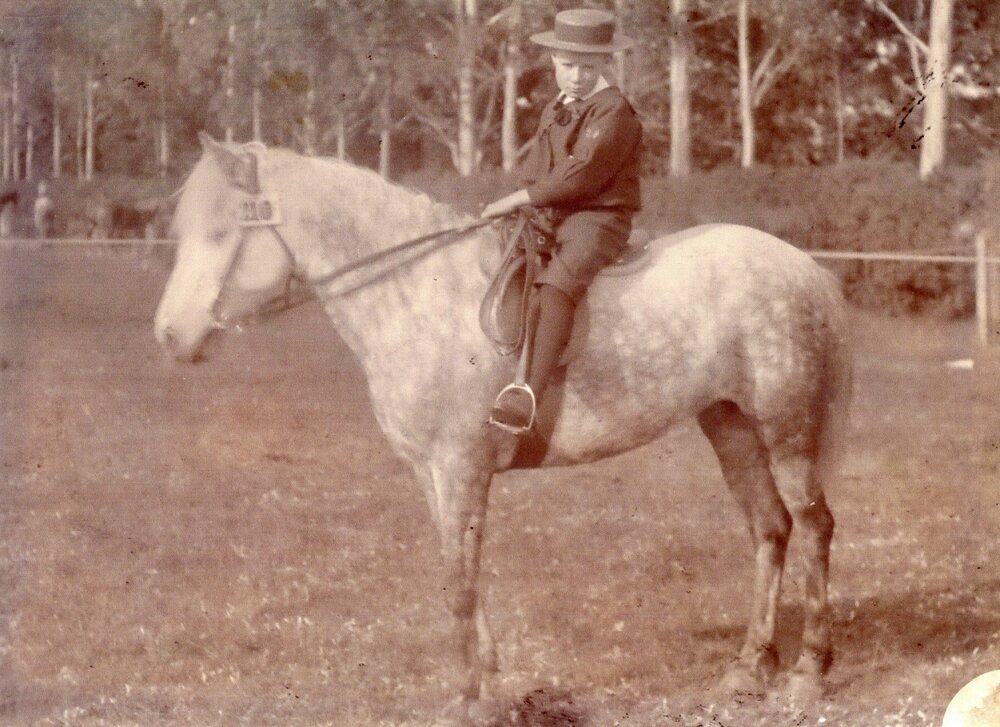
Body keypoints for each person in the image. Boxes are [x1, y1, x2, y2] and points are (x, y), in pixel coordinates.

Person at [481, 7, 642, 433]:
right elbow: (538, 169)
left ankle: (527, 394)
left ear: (605, 63)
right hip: (553, 212)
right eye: (568, 65)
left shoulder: (614, 112)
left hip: (598, 216)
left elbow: (583, 176)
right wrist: (520, 204)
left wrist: (515, 198)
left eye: (588, 67)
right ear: (554, 61)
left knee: (555, 287)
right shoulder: (557, 106)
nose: (576, 76)